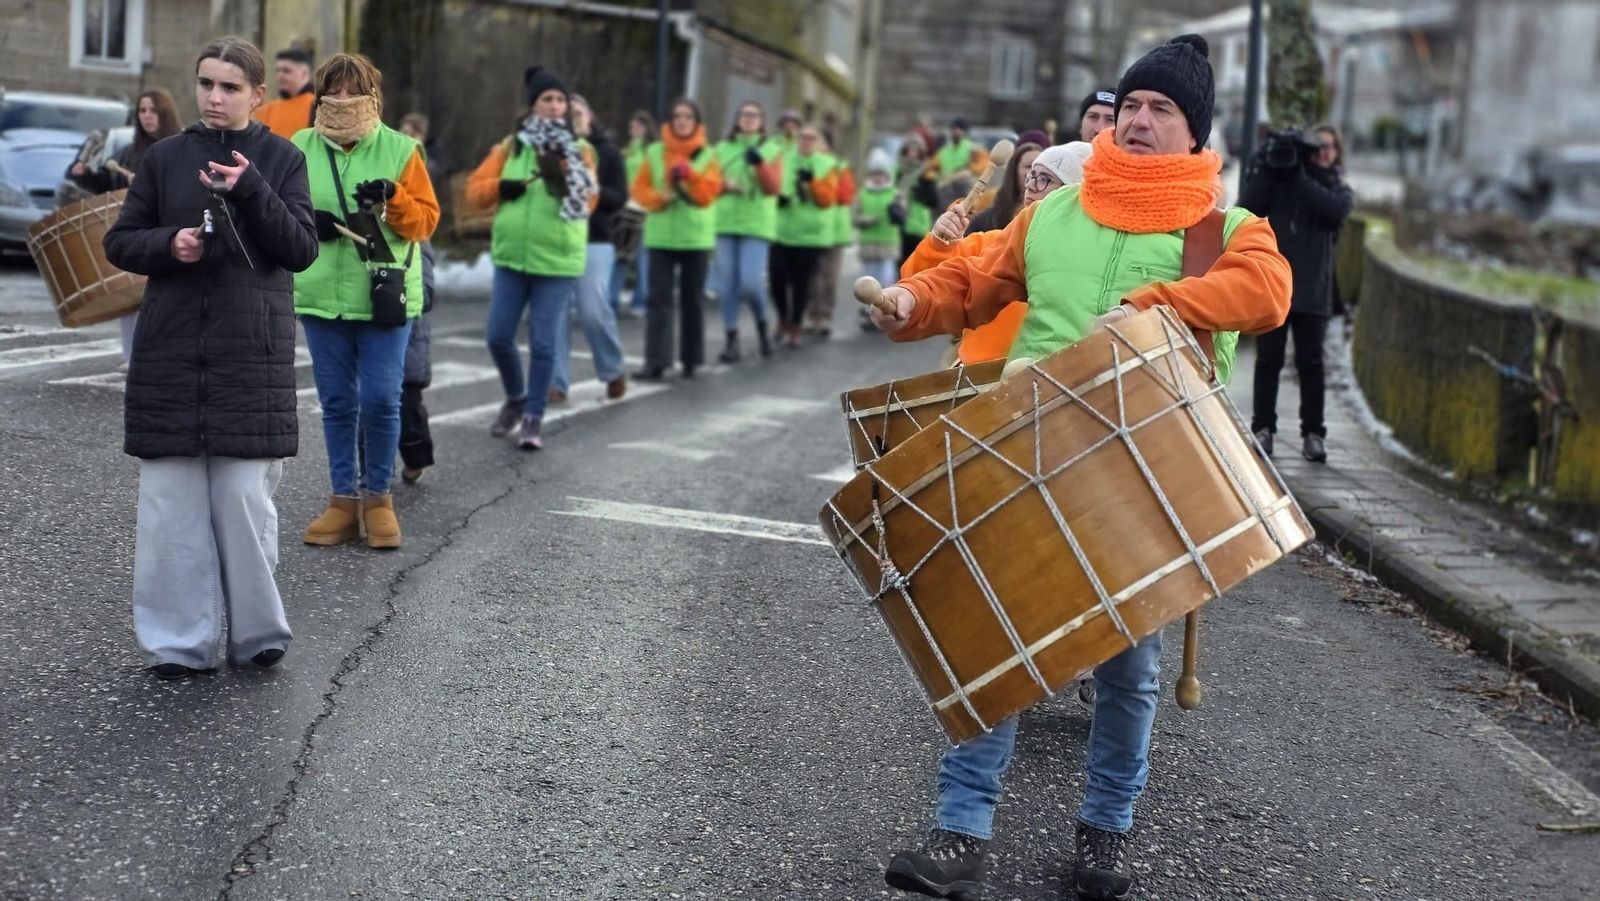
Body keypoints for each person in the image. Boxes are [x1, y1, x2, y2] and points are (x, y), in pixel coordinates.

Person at [869, 35, 1291, 900]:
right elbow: (978, 279)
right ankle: (960, 833)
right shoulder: (1052, 211)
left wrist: (1156, 302)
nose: (1138, 120)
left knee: (1128, 668)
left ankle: (1104, 836)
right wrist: (914, 302)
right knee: (992, 641)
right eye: (1131, 105)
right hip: (1027, 445)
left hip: (1145, 465)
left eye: (1160, 109)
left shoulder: (1224, 226)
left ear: (1192, 132)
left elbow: (1267, 293)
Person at [103, 36, 318, 680]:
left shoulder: (281, 159)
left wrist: (251, 189)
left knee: (242, 499)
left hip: (249, 355)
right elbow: (120, 241)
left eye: (230, 87)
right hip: (170, 350)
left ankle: (257, 633)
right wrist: (171, 244)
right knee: (169, 505)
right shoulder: (167, 157)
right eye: (206, 83)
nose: (215, 97)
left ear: (258, 94)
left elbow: (301, 247)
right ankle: (176, 642)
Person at [292, 53, 439, 549]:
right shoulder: (299, 146)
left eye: (350, 90)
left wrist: (395, 197)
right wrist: (299, 221)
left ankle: (378, 498)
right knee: (336, 403)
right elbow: (275, 208)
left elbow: (425, 222)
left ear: (372, 96)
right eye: (331, 90)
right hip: (320, 296)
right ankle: (342, 500)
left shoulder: (401, 149)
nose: (340, 99)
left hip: (383, 296)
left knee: (379, 399)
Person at [467, 66, 599, 450]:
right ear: (533, 106)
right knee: (498, 337)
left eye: (561, 99)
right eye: (548, 99)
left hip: (557, 261)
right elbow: (475, 193)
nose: (556, 106)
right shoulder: (511, 147)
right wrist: (499, 187)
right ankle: (516, 397)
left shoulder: (582, 150)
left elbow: (589, 201)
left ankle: (533, 417)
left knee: (543, 345)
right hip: (512, 258)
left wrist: (565, 174)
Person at [906, 142, 1090, 367]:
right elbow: (918, 283)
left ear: (1071, 193)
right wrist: (940, 244)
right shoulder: (996, 241)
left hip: (1050, 377)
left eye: (1045, 179)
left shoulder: (1088, 259)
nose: (1031, 186)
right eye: (1031, 175)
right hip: (978, 375)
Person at [1241, 123, 1353, 465]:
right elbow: (1247, 209)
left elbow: (1332, 211)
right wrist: (1265, 168)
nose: (1323, 151)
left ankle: (1313, 434)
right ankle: (1263, 429)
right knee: (1268, 361)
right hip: (1274, 285)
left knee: (1311, 364)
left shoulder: (1337, 190)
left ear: (1337, 153)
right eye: (1317, 145)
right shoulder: (1280, 180)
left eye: (1330, 147)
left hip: (1314, 290)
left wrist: (1297, 175)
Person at [67, 88, 183, 364]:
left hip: (167, 232)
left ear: (164, 113)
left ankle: (163, 357)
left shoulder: (179, 147)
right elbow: (107, 186)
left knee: (164, 299)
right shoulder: (128, 153)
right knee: (127, 300)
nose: (146, 116)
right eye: (142, 110)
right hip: (134, 231)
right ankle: (131, 357)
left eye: (153, 110)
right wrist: (85, 175)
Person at [629, 98, 722, 379]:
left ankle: (691, 359)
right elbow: (639, 190)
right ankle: (655, 361)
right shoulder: (655, 152)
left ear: (696, 123)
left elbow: (708, 193)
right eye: (677, 116)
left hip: (695, 237)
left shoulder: (708, 155)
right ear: (670, 122)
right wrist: (659, 198)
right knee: (657, 299)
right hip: (660, 237)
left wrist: (690, 175)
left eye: (687, 116)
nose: (681, 120)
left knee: (692, 299)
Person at [550, 94, 628, 403]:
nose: (575, 118)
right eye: (570, 114)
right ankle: (556, 382)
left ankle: (612, 369)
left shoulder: (607, 153)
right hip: (560, 237)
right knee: (555, 312)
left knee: (593, 310)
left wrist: (589, 190)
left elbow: (619, 197)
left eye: (580, 112)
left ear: (591, 116)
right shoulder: (555, 151)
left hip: (595, 238)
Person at [711, 100, 783, 362]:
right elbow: (706, 182)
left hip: (756, 224)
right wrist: (725, 185)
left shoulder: (772, 149)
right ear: (737, 119)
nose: (749, 119)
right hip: (725, 222)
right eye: (745, 114)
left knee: (751, 283)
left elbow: (773, 188)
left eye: (755, 115)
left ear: (762, 121)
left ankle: (763, 326)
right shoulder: (722, 148)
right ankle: (731, 340)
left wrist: (760, 165)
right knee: (726, 285)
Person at [768, 122, 838, 348]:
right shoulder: (785, 161)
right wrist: (776, 198)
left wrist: (812, 183)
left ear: (818, 142)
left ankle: (795, 326)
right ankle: (782, 316)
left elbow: (826, 200)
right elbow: (771, 186)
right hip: (782, 230)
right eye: (803, 137)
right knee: (776, 279)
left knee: (800, 283)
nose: (806, 142)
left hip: (809, 235)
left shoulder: (827, 165)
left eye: (811, 138)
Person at [805, 128, 854, 338]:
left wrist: (820, 186)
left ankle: (825, 315)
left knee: (829, 277)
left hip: (834, 231)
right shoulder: (805, 165)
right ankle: (812, 315)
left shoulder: (837, 167)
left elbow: (844, 196)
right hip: (812, 229)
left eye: (820, 141)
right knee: (812, 276)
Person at [610, 110, 655, 318]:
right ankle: (612, 300)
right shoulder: (627, 152)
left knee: (643, 258)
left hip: (643, 208)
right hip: (626, 207)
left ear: (646, 129)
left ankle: (641, 300)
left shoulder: (651, 152)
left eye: (637, 127)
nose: (633, 130)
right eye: (632, 127)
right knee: (622, 255)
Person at [400, 242, 437, 483]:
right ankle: (364, 464)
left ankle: (417, 458)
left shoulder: (417, 239)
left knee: (408, 405)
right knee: (366, 408)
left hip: (409, 331)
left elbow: (426, 294)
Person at [853, 148, 900, 325]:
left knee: (886, 280)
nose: (878, 177)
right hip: (869, 245)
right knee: (867, 281)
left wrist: (897, 212)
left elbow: (901, 215)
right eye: (875, 174)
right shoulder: (863, 193)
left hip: (888, 244)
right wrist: (863, 220)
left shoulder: (894, 193)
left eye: (881, 174)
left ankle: (884, 311)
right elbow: (854, 216)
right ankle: (868, 312)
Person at [892, 133, 937, 267]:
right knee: (898, 267)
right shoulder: (896, 171)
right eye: (909, 150)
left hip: (918, 226)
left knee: (916, 267)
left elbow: (933, 201)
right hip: (898, 225)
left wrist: (916, 192)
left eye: (916, 151)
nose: (912, 154)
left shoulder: (926, 174)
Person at [253, 47, 315, 140]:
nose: (280, 75)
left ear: (304, 73)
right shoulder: (269, 109)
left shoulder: (316, 106)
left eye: (286, 70)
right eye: (278, 70)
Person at [932, 116, 985, 207]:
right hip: (946, 191)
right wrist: (937, 178)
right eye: (954, 129)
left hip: (964, 190)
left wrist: (970, 170)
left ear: (964, 132)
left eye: (959, 129)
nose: (956, 132)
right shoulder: (943, 151)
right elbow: (931, 170)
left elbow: (984, 166)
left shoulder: (973, 149)